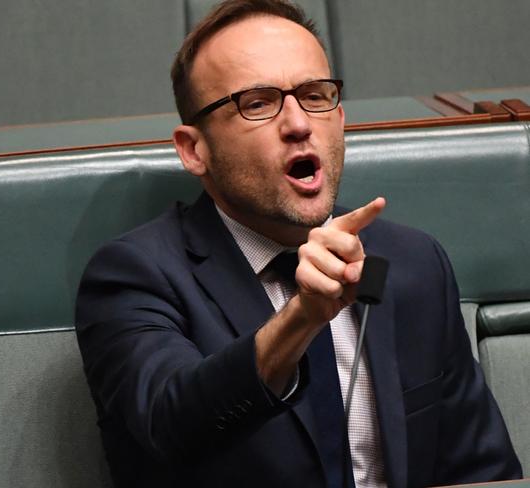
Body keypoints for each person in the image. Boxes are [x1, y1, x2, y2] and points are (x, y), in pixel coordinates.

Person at [75, 1, 522, 487]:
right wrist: (303, 317)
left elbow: (482, 472)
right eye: (258, 103)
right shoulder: (133, 276)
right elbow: (173, 424)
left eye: (315, 95)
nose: (299, 124)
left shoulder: (413, 262)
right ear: (194, 149)